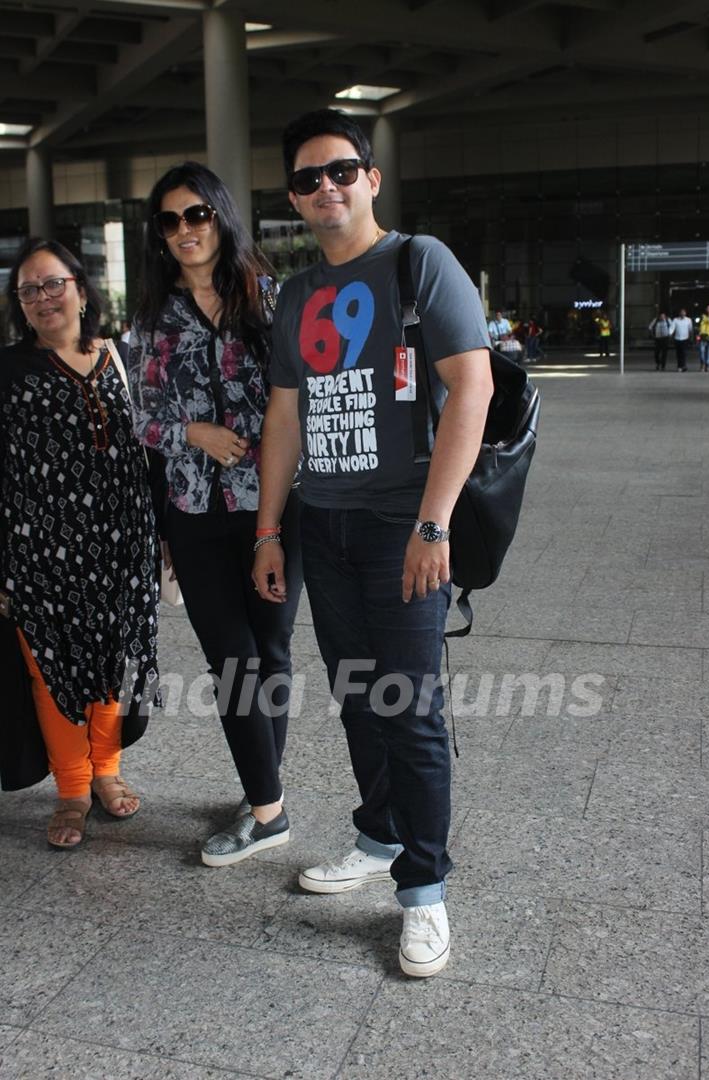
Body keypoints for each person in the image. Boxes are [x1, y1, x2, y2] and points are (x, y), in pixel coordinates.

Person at [252, 109, 493, 978]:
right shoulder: (294, 294)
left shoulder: (418, 261)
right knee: (361, 697)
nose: (329, 188)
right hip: (326, 522)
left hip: (403, 522)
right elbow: (286, 414)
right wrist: (270, 530)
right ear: (294, 198)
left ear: (372, 178)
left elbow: (472, 387)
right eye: (310, 178)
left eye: (343, 170)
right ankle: (380, 835)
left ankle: (424, 892)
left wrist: (434, 523)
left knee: (413, 709)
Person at [128, 162, 302, 867]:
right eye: (169, 221)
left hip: (276, 507)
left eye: (195, 214)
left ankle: (265, 794)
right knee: (232, 660)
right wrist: (193, 433)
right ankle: (268, 811)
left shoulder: (273, 299)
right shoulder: (151, 317)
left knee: (273, 654)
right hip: (195, 511)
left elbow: (303, 395)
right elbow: (140, 416)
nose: (184, 231)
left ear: (220, 216)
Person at [0, 238, 159, 848]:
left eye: (53, 283)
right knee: (51, 669)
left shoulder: (122, 358)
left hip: (122, 547)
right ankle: (71, 789)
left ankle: (106, 772)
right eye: (29, 290)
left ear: (81, 288)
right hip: (38, 553)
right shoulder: (8, 372)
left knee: (113, 667)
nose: (43, 298)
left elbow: (154, 450)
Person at [670, 308, 693, 372]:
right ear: (679, 313)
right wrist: (670, 333)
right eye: (681, 312)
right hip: (677, 339)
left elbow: (690, 329)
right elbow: (672, 328)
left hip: (685, 339)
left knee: (684, 353)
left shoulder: (688, 320)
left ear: (685, 313)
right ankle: (679, 366)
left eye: (684, 312)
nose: (683, 314)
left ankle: (683, 366)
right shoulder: (675, 320)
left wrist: (691, 337)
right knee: (678, 353)